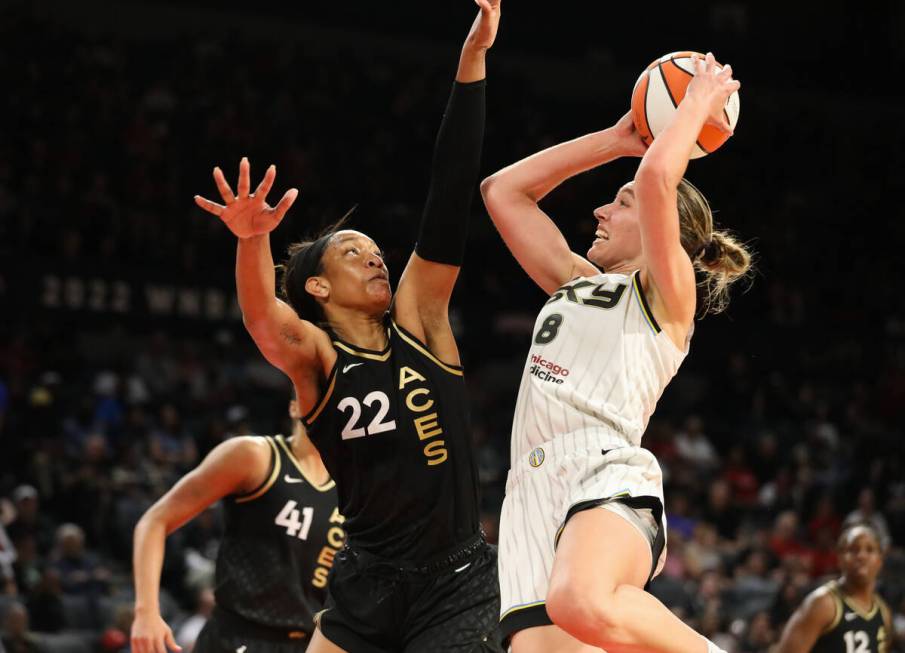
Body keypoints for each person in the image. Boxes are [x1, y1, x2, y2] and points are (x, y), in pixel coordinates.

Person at [192, 2, 503, 651]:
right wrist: (252, 241)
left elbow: (448, 193)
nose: (374, 256)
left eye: (374, 250)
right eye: (352, 251)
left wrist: (471, 62)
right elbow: (259, 317)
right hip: (363, 579)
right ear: (316, 285)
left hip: (458, 577)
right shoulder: (316, 355)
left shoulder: (419, 316)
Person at [481, 53, 751, 652]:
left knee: (580, 599)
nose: (600, 210)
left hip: (602, 469)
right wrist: (615, 140)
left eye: (621, 202)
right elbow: (503, 192)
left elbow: (658, 179)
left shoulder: (666, 293)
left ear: (663, 232)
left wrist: (690, 110)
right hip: (527, 495)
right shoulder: (573, 281)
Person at [131, 398, 341, 653]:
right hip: (239, 637)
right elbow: (154, 520)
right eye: (318, 394)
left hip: (310, 644)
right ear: (294, 405)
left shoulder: (353, 488)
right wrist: (146, 612)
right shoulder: (254, 456)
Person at [776, 523, 894, 653]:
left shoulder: (884, 614)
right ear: (839, 558)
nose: (861, 556)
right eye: (853, 549)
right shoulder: (822, 604)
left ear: (880, 560)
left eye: (870, 550)